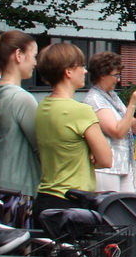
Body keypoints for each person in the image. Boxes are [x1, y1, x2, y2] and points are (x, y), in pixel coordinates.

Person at [34, 43, 112, 200]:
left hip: (45, 196)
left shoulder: (42, 106)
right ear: (68, 71)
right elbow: (106, 160)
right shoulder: (81, 111)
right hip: (72, 198)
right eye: (81, 66)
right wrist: (90, 152)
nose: (85, 71)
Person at [83, 52, 136, 196]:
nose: (118, 79)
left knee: (128, 205)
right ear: (103, 75)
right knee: (110, 206)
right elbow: (118, 132)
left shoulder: (112, 96)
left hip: (123, 165)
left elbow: (133, 128)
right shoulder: (95, 99)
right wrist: (132, 105)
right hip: (107, 170)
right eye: (115, 75)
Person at [0, 31, 41, 201]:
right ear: (18, 55)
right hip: (21, 191)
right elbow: (41, 146)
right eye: (33, 56)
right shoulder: (21, 98)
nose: (35, 62)